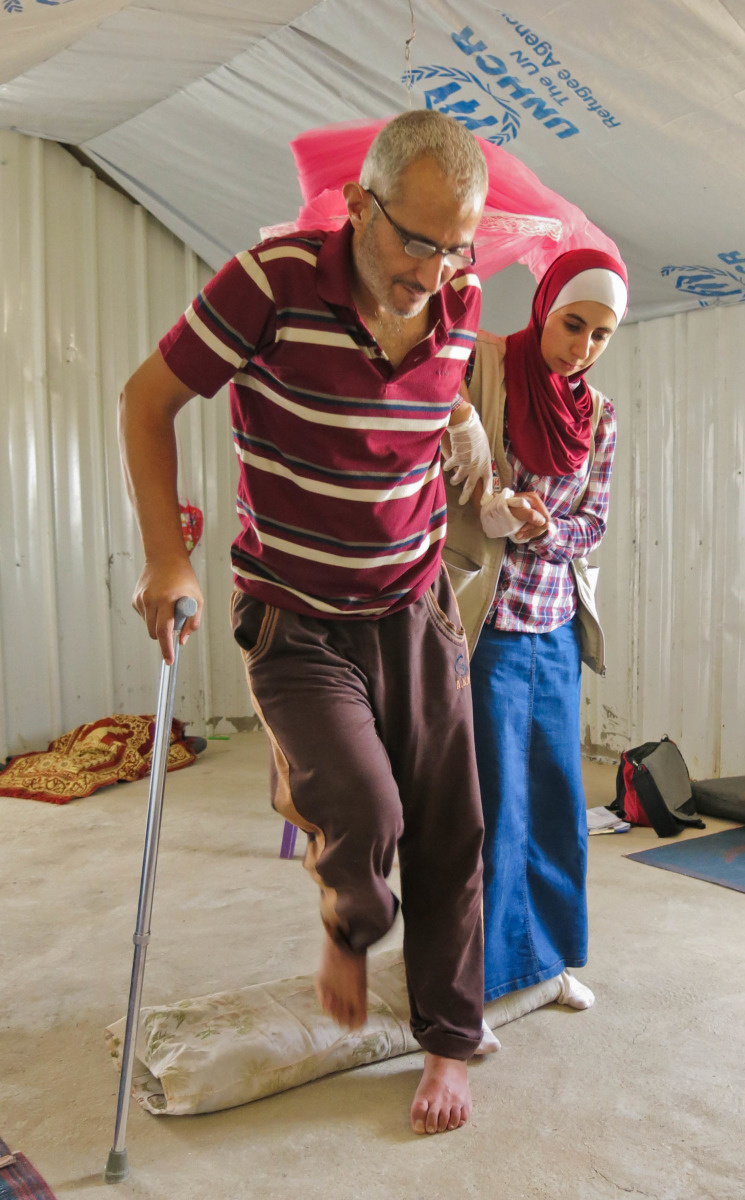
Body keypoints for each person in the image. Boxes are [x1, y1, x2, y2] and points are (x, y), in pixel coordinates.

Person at [118, 110, 497, 1135]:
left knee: (453, 826)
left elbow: (433, 390)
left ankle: (449, 1042)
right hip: (297, 616)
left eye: (455, 244)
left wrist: (460, 422)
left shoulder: (458, 304)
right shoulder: (270, 284)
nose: (433, 271)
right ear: (358, 206)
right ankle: (350, 922)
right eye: (414, 239)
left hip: (413, 606)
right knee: (366, 811)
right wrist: (167, 555)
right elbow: (146, 399)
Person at [443, 247, 627, 1012]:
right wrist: (492, 507)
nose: (581, 347)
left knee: (555, 802)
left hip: (553, 631)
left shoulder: (601, 416)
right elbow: (436, 449)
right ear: (544, 306)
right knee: (490, 809)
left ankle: (548, 964)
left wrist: (542, 530)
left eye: (600, 335)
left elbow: (595, 523)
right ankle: (478, 983)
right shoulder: (485, 368)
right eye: (571, 324)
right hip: (486, 628)